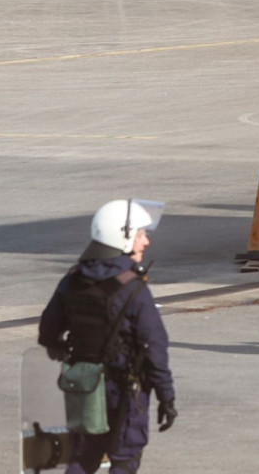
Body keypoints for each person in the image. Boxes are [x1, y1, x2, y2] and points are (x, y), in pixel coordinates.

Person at [37, 200, 176, 474]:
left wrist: (61, 349)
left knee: (82, 454)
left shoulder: (74, 279)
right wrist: (166, 395)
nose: (146, 242)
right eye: (140, 235)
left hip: (84, 384)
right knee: (124, 458)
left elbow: (48, 330)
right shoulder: (131, 288)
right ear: (122, 237)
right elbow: (154, 345)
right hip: (125, 388)